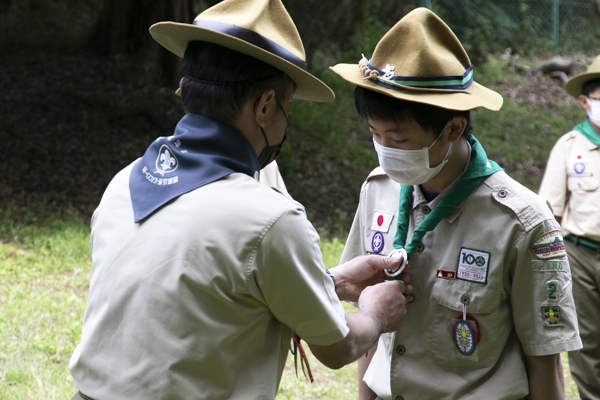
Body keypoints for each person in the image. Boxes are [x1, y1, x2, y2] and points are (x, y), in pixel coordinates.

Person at [68, 1, 412, 399]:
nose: (285, 124)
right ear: (265, 106)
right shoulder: (270, 218)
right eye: (287, 109)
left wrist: (327, 283)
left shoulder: (124, 182)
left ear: (186, 88)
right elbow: (338, 347)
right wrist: (376, 311)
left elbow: (203, 293)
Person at [330, 8, 582, 400]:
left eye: (398, 139)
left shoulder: (522, 221)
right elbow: (372, 324)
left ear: (453, 128)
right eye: (374, 134)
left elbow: (544, 360)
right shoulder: (378, 190)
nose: (384, 151)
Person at [539, 56, 600, 400]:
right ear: (585, 101)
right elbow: (548, 213)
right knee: (587, 343)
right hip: (581, 255)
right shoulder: (569, 147)